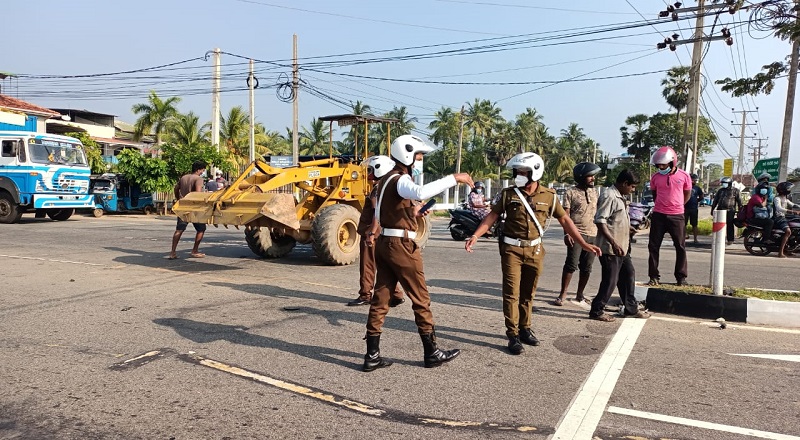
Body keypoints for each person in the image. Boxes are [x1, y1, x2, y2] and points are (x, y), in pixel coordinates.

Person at [465, 152, 601, 355]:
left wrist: (583, 243)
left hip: (535, 250)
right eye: (517, 171)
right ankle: (512, 335)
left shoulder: (549, 196)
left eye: (523, 172)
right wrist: (475, 235)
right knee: (511, 293)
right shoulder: (508, 194)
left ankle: (525, 328)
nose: (518, 175)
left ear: (535, 173)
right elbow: (492, 215)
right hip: (511, 249)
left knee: (529, 293)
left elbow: (565, 220)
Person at [362, 134, 474, 372]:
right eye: (419, 156)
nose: (419, 161)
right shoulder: (400, 179)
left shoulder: (383, 182)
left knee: (381, 298)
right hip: (401, 246)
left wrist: (413, 214)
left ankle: (372, 355)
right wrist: (455, 178)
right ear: (408, 155)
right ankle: (432, 352)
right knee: (420, 299)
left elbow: (392, 212)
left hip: (385, 243)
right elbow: (421, 192)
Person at [589, 169, 649, 322]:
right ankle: (597, 310)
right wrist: (613, 242)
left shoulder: (620, 196)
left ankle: (631, 309)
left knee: (628, 275)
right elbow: (600, 221)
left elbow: (615, 219)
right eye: (632, 187)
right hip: (611, 248)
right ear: (625, 183)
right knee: (611, 280)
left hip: (623, 246)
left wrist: (628, 228)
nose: (633, 190)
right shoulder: (609, 196)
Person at [348, 155, 405, 307]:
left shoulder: (377, 190)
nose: (368, 172)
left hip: (371, 232)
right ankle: (396, 294)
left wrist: (371, 233)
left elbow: (376, 213)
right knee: (384, 264)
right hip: (384, 232)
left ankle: (365, 295)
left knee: (368, 265)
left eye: (371, 169)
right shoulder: (387, 188)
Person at [553, 162, 600, 306]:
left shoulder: (595, 192)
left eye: (593, 176)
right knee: (571, 264)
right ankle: (563, 293)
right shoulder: (570, 193)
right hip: (576, 234)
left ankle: (580, 294)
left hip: (593, 234)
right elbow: (565, 215)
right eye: (589, 176)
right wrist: (567, 234)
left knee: (587, 267)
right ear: (581, 177)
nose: (592, 179)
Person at [647, 146, 691, 286]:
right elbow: (655, 195)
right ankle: (654, 276)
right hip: (659, 215)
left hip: (677, 216)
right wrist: (661, 206)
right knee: (653, 246)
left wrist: (678, 205)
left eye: (663, 164)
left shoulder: (684, 176)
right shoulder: (655, 177)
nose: (661, 167)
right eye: (658, 165)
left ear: (672, 162)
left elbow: (687, 193)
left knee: (680, 246)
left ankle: (681, 277)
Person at [169, 161, 208, 260]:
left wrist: (178, 198)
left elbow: (176, 188)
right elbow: (198, 193)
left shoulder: (184, 177)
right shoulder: (198, 179)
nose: (203, 172)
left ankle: (172, 252)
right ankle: (194, 250)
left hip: (183, 206)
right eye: (203, 170)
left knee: (179, 230)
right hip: (194, 208)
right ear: (199, 170)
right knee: (201, 229)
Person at [710, 176, 742, 245]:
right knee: (718, 224)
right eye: (723, 183)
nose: (723, 184)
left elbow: (739, 202)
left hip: (730, 210)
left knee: (729, 225)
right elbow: (715, 200)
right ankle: (718, 239)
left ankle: (730, 239)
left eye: (725, 183)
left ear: (729, 183)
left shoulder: (735, 191)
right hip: (720, 209)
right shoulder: (720, 190)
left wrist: (740, 211)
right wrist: (712, 209)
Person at [773, 182, 798, 258]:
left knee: (794, 229)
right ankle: (780, 252)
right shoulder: (777, 198)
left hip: (783, 217)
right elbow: (779, 208)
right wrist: (792, 211)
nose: (790, 190)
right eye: (789, 189)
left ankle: (788, 250)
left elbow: (793, 204)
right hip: (778, 218)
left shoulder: (785, 198)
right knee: (788, 232)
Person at [684, 173, 704, 244]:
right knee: (683, 224)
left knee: (694, 224)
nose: (695, 181)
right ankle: (683, 237)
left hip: (693, 208)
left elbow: (701, 196)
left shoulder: (697, 188)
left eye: (696, 180)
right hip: (684, 208)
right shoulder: (684, 186)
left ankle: (695, 239)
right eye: (694, 180)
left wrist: (696, 201)